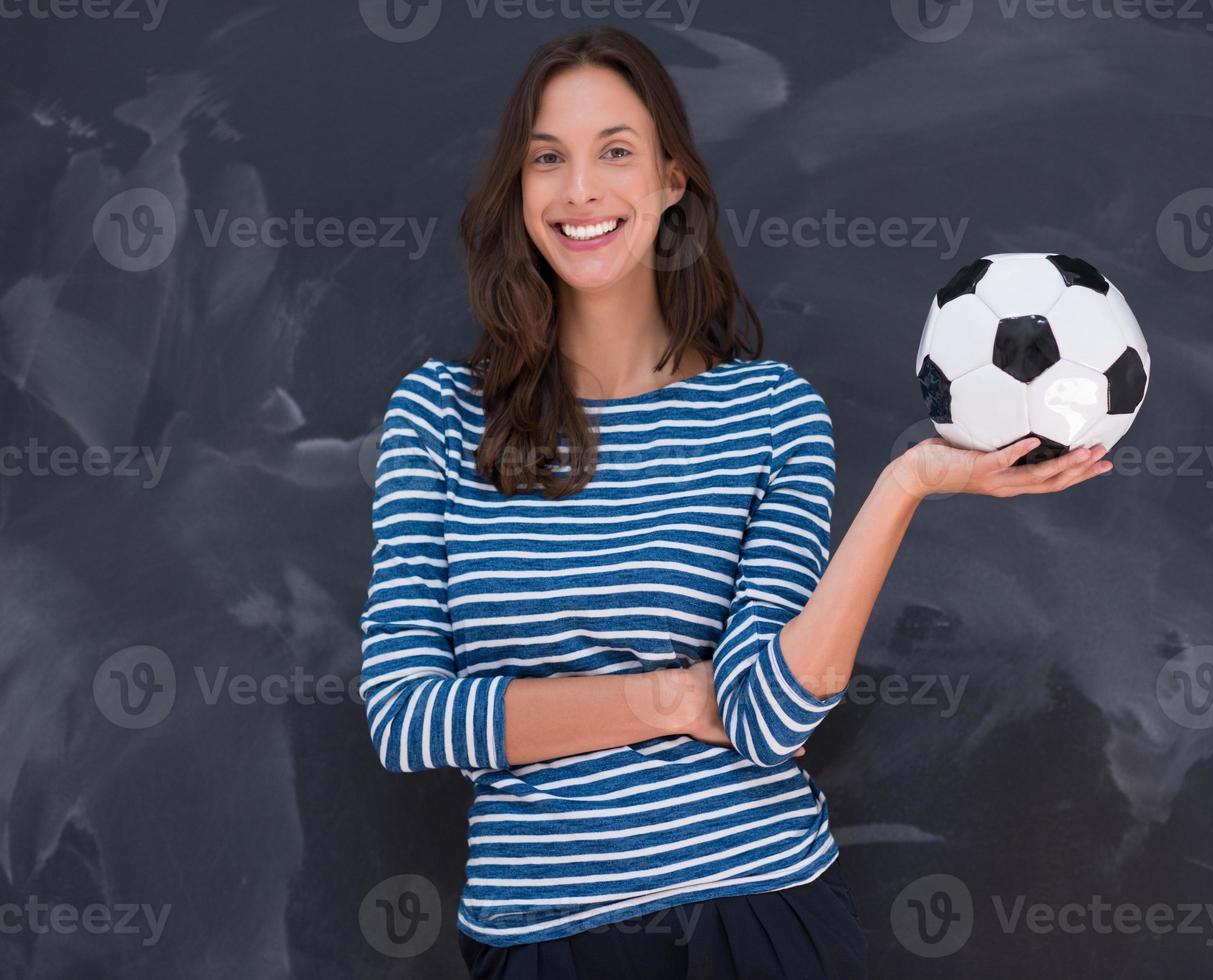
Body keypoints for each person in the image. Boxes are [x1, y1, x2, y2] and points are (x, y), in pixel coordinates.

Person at [358, 26, 1111, 980]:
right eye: (548, 158)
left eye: (615, 152)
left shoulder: (771, 414)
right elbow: (408, 717)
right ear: (518, 187)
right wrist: (671, 696)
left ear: (671, 179)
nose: (580, 188)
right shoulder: (436, 415)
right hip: (543, 940)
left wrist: (905, 483)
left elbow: (767, 715)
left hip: (760, 917)